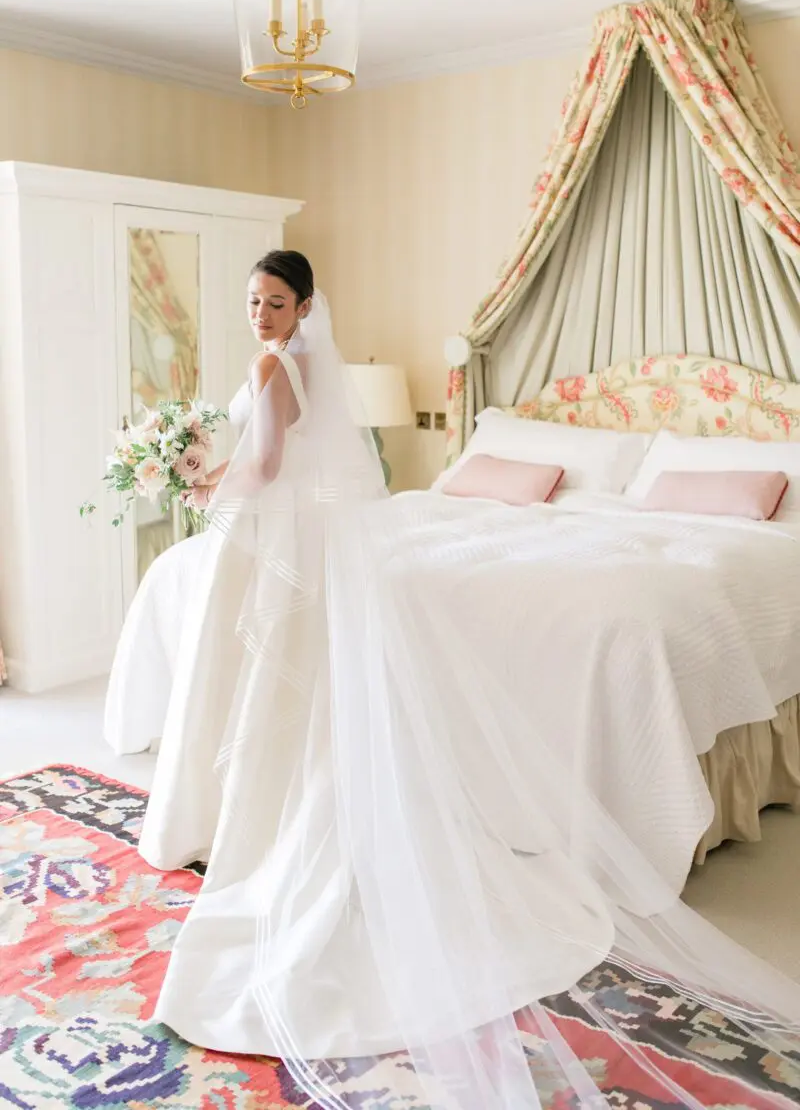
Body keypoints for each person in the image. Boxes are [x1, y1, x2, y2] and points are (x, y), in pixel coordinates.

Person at [106, 251, 800, 1110]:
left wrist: (205, 481)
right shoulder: (308, 362)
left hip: (281, 534)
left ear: (303, 307)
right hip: (296, 542)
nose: (259, 313)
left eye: (273, 301)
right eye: (253, 300)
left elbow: (272, 460)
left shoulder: (278, 364)